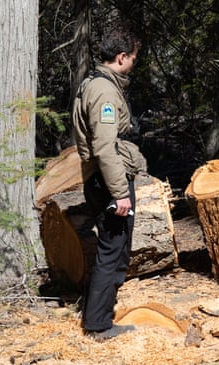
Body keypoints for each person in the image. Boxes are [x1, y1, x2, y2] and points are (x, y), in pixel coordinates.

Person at [72, 28, 147, 340]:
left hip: (103, 179)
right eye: (132, 59)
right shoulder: (104, 91)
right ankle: (99, 324)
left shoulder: (94, 83)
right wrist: (119, 193)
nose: (133, 64)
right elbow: (104, 147)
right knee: (112, 249)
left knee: (116, 249)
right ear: (121, 57)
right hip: (107, 182)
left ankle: (102, 314)